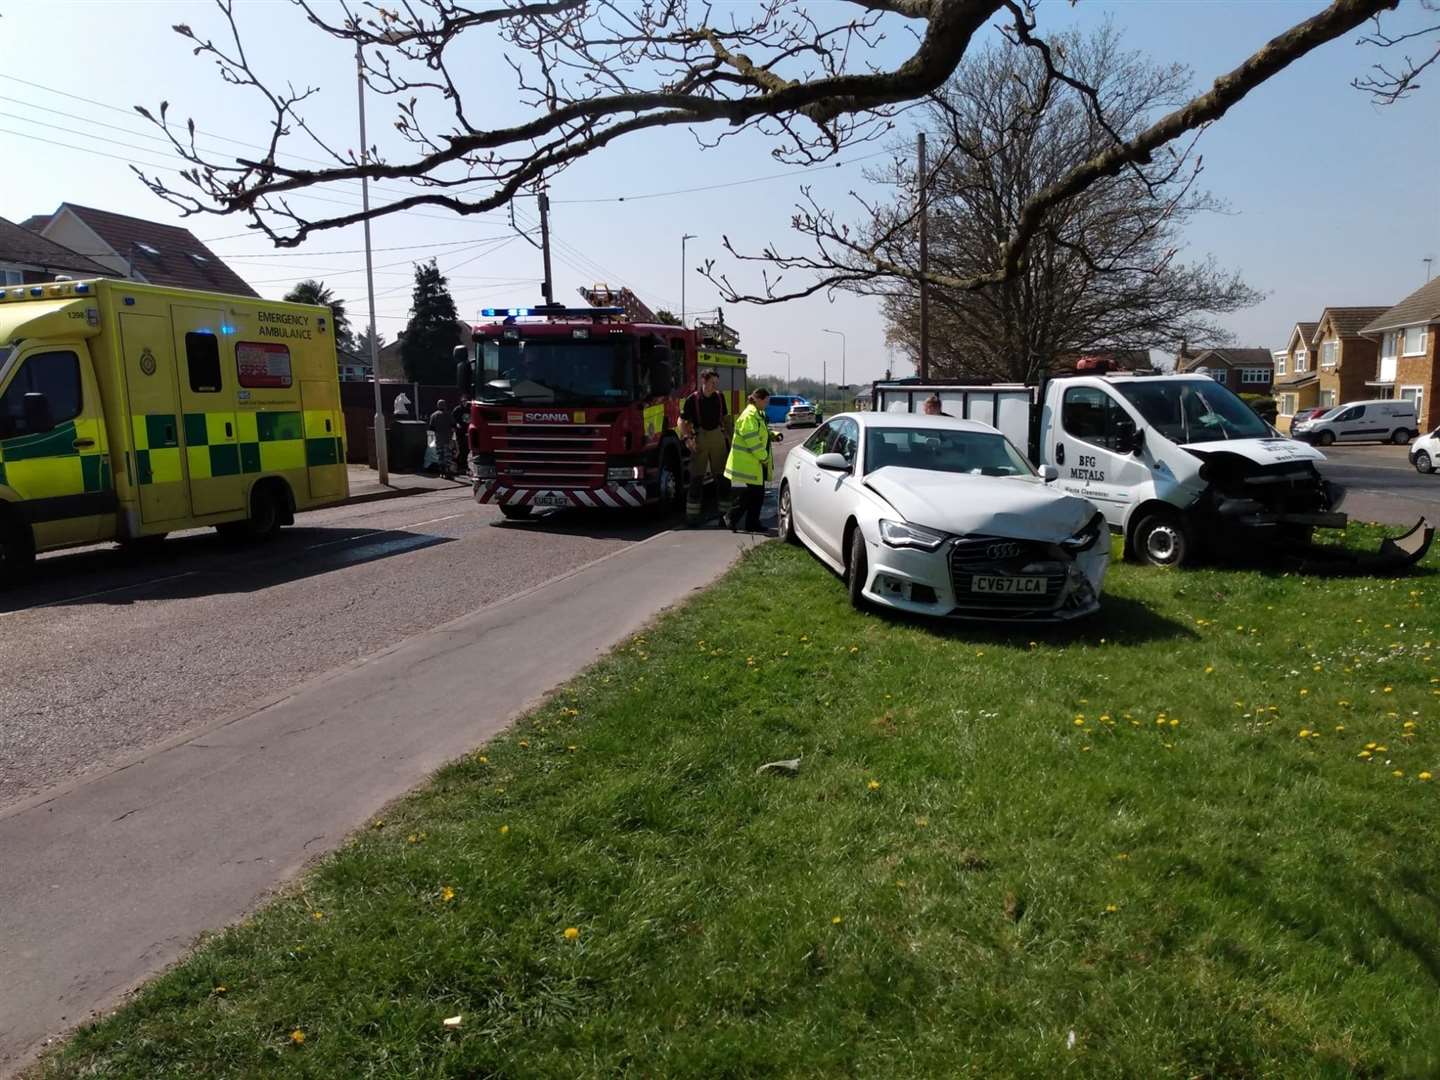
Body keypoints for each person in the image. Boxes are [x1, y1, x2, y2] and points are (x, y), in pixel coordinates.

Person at [679, 369, 732, 526]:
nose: (715, 386)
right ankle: (692, 517)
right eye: (712, 383)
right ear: (704, 381)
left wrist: (731, 438)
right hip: (700, 438)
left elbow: (726, 420)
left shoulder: (720, 397)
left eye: (716, 383)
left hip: (717, 437)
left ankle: (725, 516)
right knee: (697, 478)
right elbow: (681, 422)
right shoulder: (693, 399)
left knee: (722, 478)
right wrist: (688, 438)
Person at [724, 387, 776, 533]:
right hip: (748, 463)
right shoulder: (749, 416)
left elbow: (761, 432)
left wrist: (774, 435)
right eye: (766, 401)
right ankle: (732, 517)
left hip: (752, 463)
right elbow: (752, 440)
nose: (767, 404)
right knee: (754, 494)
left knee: (756, 494)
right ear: (758, 400)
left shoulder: (757, 414)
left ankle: (750, 523)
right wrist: (764, 457)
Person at [429, 399, 456, 479]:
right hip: (448, 439)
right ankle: (448, 473)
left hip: (439, 439)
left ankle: (442, 473)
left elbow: (431, 427)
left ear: (438, 406)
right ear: (445, 405)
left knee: (440, 457)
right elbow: (454, 426)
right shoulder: (449, 415)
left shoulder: (433, 415)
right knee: (448, 457)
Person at [451, 398, 470, 476]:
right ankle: (459, 466)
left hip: (467, 431)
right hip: (460, 432)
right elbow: (452, 419)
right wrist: (456, 425)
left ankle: (465, 466)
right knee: (460, 448)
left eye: (466, 401)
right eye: (463, 402)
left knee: (467, 449)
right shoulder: (457, 410)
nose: (465, 403)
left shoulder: (469, 410)